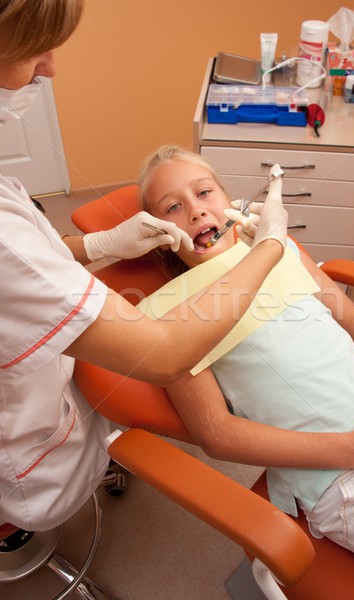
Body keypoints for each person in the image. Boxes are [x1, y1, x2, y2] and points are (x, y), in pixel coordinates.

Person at [0, 0, 289, 534]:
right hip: (34, 454)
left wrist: (100, 244)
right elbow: (186, 388)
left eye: (205, 192)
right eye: (172, 207)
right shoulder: (170, 304)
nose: (50, 67)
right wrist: (273, 247)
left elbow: (31, 259)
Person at [137, 144, 354, 583]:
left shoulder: (279, 249)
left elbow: (352, 317)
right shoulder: (171, 314)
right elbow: (217, 435)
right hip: (346, 481)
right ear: (154, 233)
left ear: (231, 203)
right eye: (173, 206)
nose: (195, 211)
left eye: (205, 192)